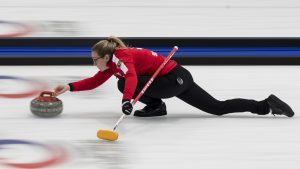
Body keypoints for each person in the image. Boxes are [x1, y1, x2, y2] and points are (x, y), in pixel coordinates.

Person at [54, 36, 295, 118]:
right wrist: (70, 86)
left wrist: (127, 100)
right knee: (217, 108)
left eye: (94, 59)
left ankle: (156, 105)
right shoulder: (112, 62)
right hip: (172, 79)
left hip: (174, 79)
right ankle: (265, 105)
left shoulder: (122, 57)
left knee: (123, 83)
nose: (93, 63)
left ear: (106, 57)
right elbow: (96, 80)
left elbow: (131, 78)